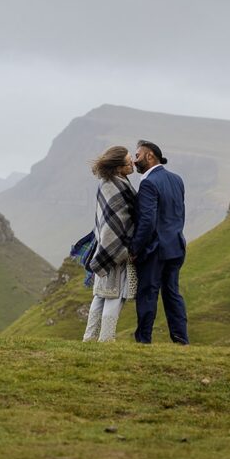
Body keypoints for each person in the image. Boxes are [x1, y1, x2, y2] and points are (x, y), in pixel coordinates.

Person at [128, 139, 189, 344]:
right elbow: (178, 213)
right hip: (176, 247)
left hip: (155, 250)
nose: (134, 160)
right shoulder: (177, 179)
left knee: (148, 294)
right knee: (172, 294)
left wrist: (135, 248)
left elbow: (147, 221)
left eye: (137, 156)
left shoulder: (148, 183)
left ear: (150, 156)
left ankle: (143, 340)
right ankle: (181, 338)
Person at [82, 145, 138, 342]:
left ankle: (89, 338)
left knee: (99, 295)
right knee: (114, 296)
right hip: (115, 249)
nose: (133, 163)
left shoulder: (109, 182)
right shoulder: (116, 185)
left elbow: (107, 221)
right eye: (129, 161)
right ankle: (106, 338)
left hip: (103, 249)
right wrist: (122, 250)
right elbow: (116, 222)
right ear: (118, 166)